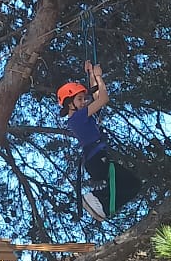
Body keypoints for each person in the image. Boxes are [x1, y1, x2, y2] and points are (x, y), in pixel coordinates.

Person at [57, 62, 142, 223]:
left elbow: (96, 96)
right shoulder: (78, 117)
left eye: (83, 99)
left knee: (132, 184)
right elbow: (103, 98)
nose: (84, 102)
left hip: (96, 160)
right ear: (69, 103)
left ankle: (101, 204)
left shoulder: (81, 116)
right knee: (131, 183)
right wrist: (98, 76)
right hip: (97, 160)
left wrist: (91, 74)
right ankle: (97, 199)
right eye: (79, 99)